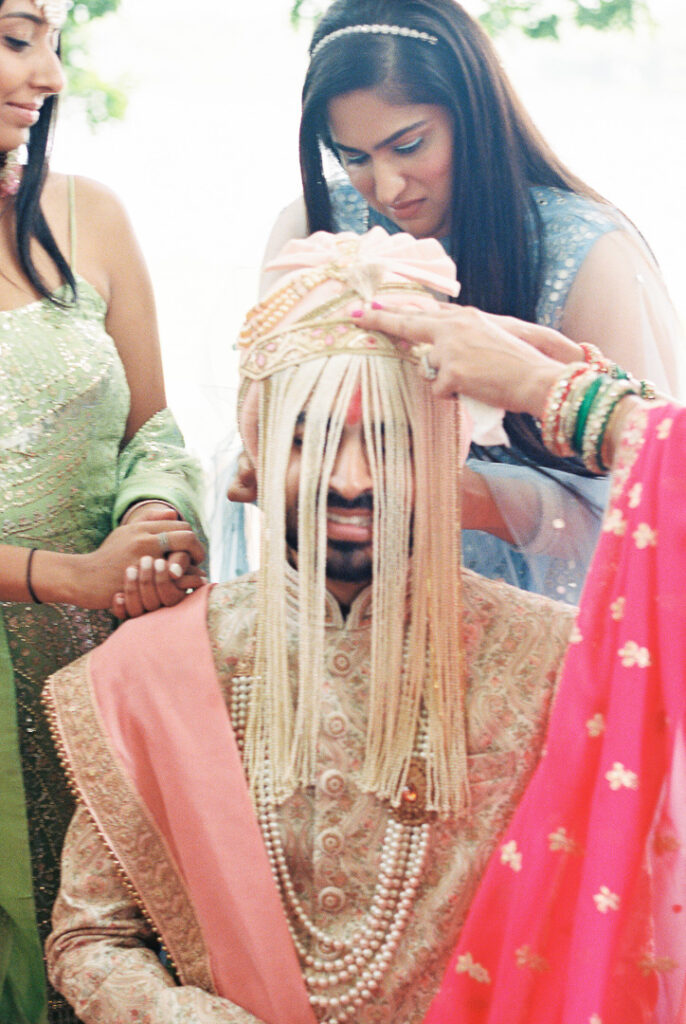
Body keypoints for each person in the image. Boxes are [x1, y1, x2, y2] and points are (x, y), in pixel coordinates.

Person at [45, 231, 684, 1023]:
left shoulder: (550, 660)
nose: (351, 482)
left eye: (391, 441)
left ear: (447, 454)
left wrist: (570, 385)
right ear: (255, 449)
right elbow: (93, 937)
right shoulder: (154, 670)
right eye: (310, 439)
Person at [248, 0, 683, 603]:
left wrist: (448, 491)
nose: (387, 188)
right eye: (354, 158)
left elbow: (633, 502)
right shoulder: (315, 227)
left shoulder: (586, 255)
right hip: (350, 605)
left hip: (532, 619)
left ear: (474, 117)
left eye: (409, 145)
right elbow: (265, 418)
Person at [0, 2, 206, 1022]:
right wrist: (59, 574)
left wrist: (157, 529)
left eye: (52, 42)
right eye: (13, 37)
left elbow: (152, 429)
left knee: (119, 956)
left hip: (102, 669)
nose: (48, 75)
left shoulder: (89, 214)